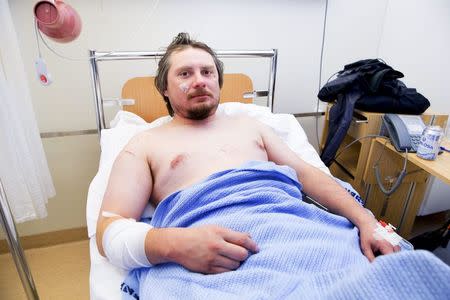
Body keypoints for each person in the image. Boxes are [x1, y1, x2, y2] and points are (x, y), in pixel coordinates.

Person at [96, 32, 398, 275]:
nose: (200, 80)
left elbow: (305, 174)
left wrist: (365, 220)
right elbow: (109, 231)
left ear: (218, 81)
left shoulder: (252, 126)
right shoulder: (144, 143)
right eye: (185, 73)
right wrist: (176, 244)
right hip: (214, 254)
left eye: (207, 72)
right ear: (163, 88)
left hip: (294, 229)